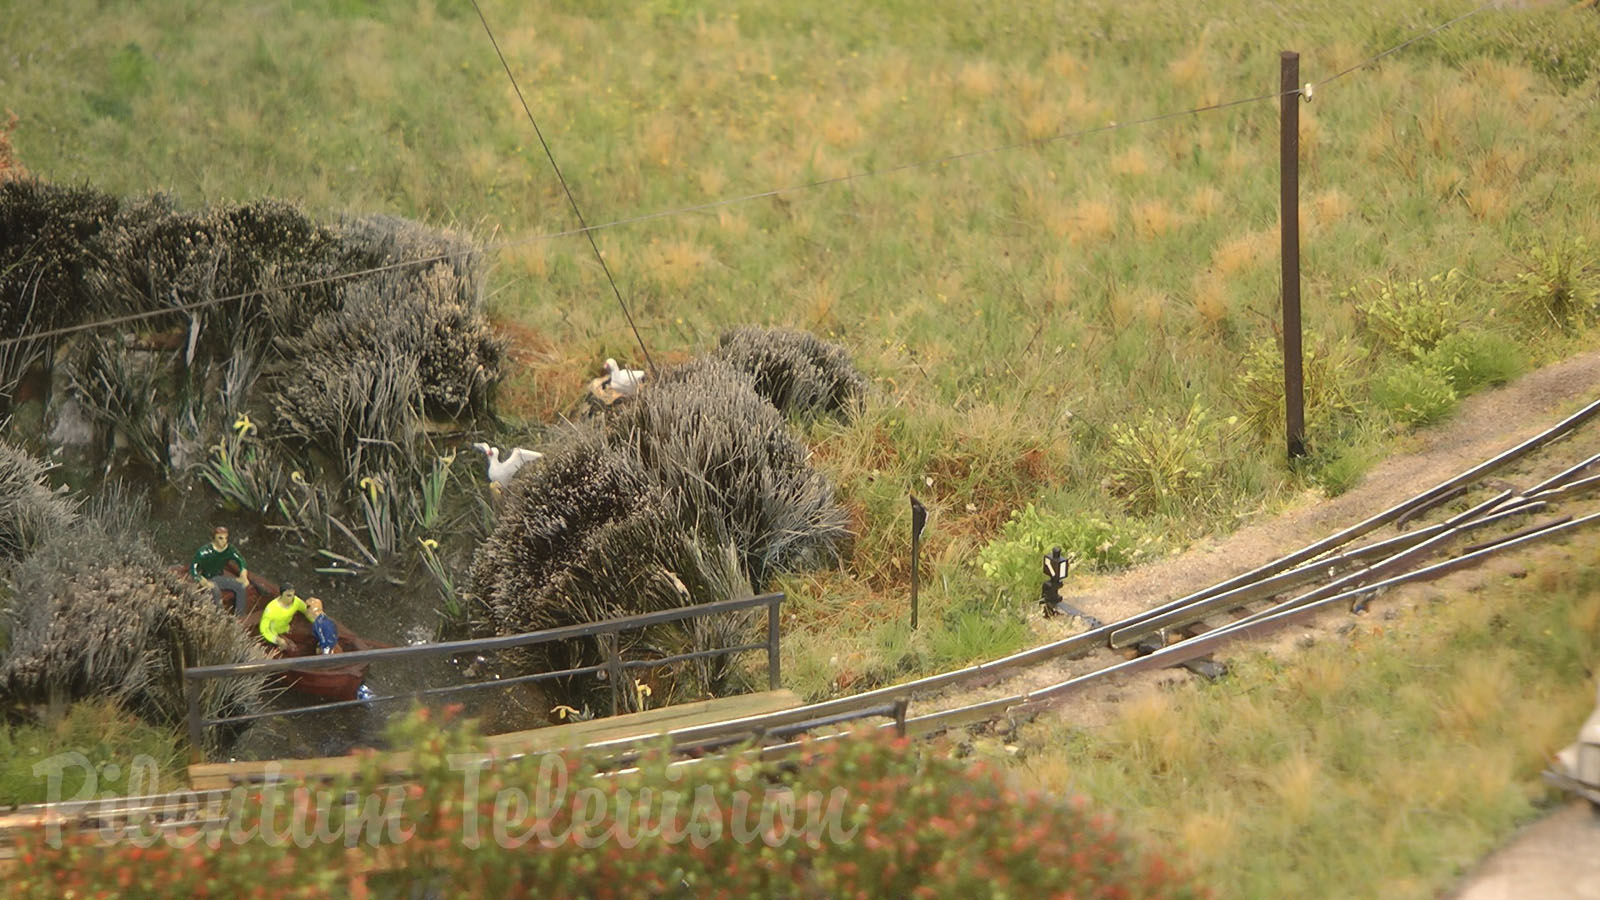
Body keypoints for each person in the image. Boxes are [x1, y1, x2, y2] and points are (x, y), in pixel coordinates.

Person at [192, 526, 251, 616]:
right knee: (215, 590)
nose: (224, 541)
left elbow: (241, 561)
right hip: (208, 578)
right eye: (220, 538)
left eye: (226, 538)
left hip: (219, 577)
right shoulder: (204, 552)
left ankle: (240, 616)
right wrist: (201, 580)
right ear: (214, 538)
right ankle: (219, 616)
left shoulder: (229, 550)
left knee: (240, 586)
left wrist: (243, 575)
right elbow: (193, 569)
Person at [259, 582, 309, 652]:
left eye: (293, 595)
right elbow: (264, 629)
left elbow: (307, 611)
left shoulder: (296, 601)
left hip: (287, 629)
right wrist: (276, 639)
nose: (291, 598)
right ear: (281, 595)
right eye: (288, 595)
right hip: (274, 634)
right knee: (288, 648)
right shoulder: (271, 609)